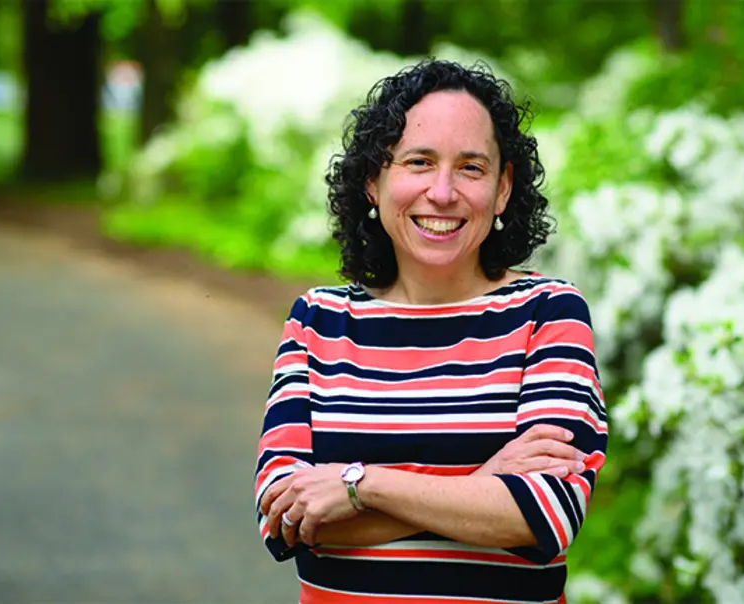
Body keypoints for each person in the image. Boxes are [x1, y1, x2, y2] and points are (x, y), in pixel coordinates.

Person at [254, 59, 608, 603]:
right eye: (419, 162)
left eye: (471, 167)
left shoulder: (548, 312)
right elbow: (287, 521)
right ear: (374, 180)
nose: (442, 192)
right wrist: (484, 483)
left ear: (503, 188)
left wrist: (358, 486)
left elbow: (545, 514)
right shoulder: (317, 321)